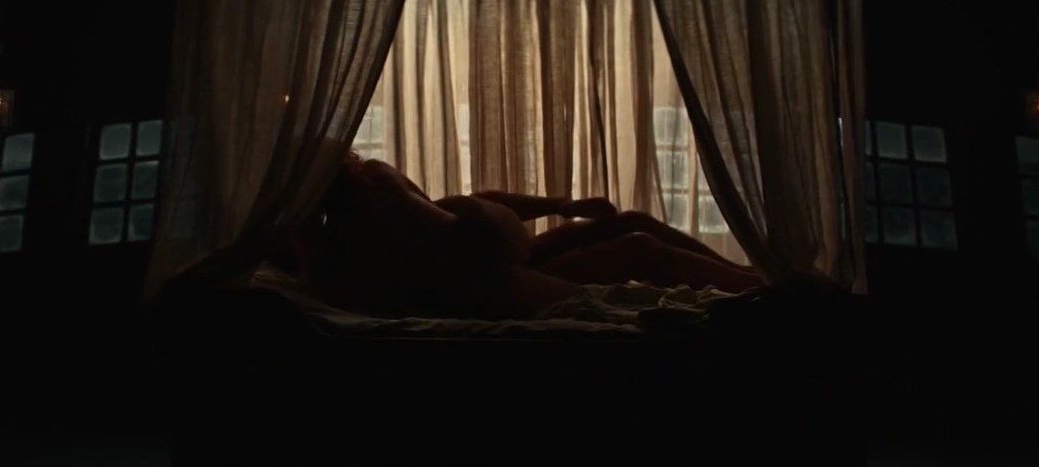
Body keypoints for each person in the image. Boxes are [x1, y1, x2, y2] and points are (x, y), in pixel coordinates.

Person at [289, 153, 761, 319]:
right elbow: (473, 241)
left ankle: (747, 274)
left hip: (499, 257)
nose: (351, 151)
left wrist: (561, 206)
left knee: (633, 221)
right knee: (640, 248)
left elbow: (471, 205)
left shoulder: (379, 191)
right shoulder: (349, 228)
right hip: (493, 273)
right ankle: (756, 291)